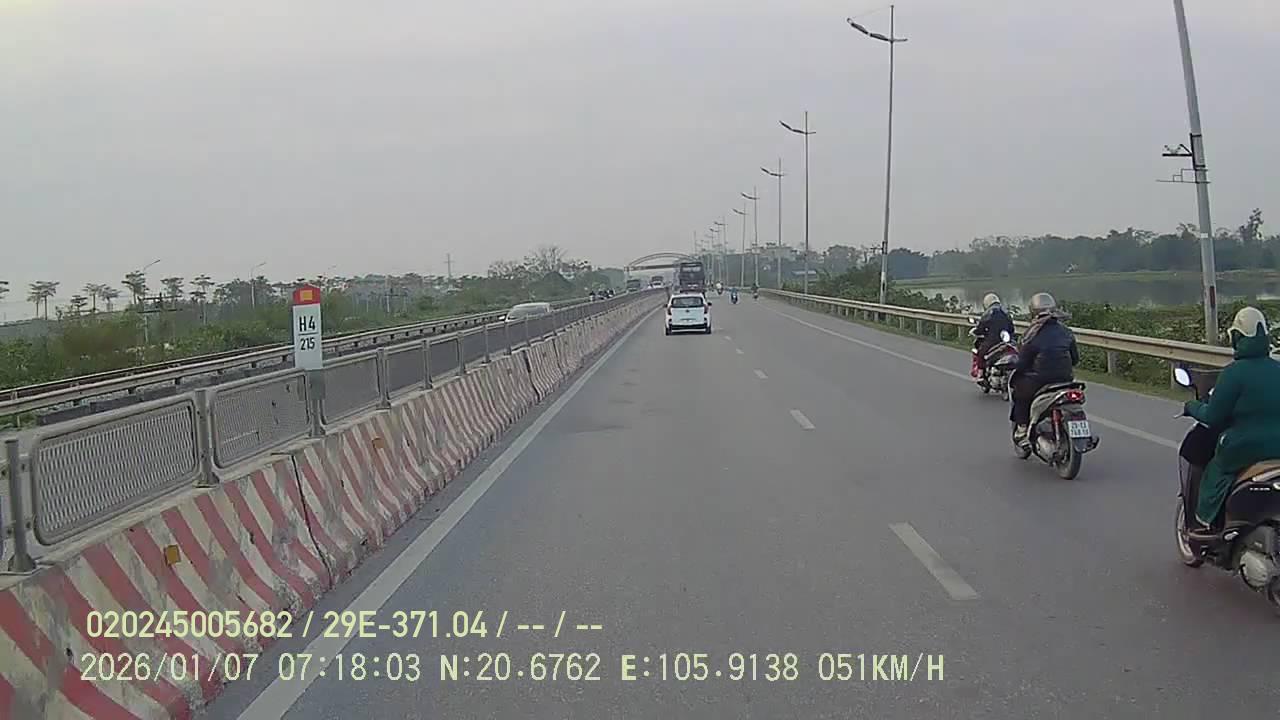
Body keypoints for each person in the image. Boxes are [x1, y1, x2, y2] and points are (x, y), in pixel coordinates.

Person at [1182, 306, 1280, 535]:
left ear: (1237, 338)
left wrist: (1192, 407)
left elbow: (1213, 416)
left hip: (1244, 447)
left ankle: (1205, 522)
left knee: (1215, 470)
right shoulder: (1278, 369)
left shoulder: (1234, 373)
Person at [1009, 293, 1079, 447]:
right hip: (1065, 379)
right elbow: (1075, 359)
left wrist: (1017, 367)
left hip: (1040, 380)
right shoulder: (1066, 332)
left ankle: (1022, 428)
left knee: (1019, 392)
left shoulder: (1032, 334)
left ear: (1033, 312)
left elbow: (1022, 363)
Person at [972, 293, 1016, 377]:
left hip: (993, 340)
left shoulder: (989, 312)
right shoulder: (1005, 312)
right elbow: (1012, 328)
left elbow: (981, 327)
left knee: (981, 353)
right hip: (1006, 341)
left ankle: (981, 373)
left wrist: (977, 331)